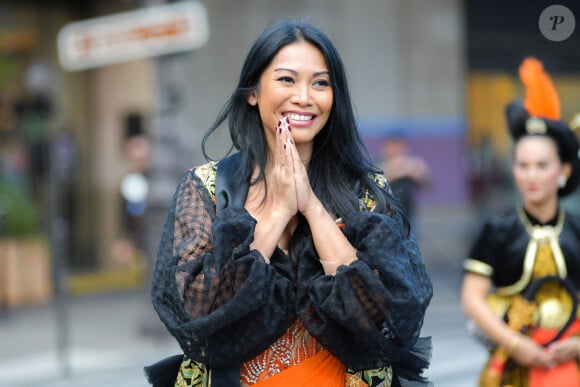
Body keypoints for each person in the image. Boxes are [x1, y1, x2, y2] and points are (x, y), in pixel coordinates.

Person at [147, 19, 433, 387]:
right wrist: (280, 209)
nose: (304, 97)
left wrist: (312, 208)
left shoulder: (366, 190)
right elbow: (200, 311)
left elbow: (391, 316)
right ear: (252, 92)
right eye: (286, 79)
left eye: (321, 83)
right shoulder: (206, 188)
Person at [461, 57, 580, 387]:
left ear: (564, 171)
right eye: (523, 164)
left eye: (542, 165)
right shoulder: (497, 230)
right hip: (512, 366)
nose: (531, 175)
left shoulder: (577, 230)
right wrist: (515, 344)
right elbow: (473, 299)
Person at [379, 132, 430, 222]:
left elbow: (428, 182)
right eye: (392, 145)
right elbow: (378, 178)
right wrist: (399, 170)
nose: (395, 149)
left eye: (399, 145)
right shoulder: (380, 163)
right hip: (386, 213)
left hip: (407, 212)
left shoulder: (411, 163)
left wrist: (414, 170)